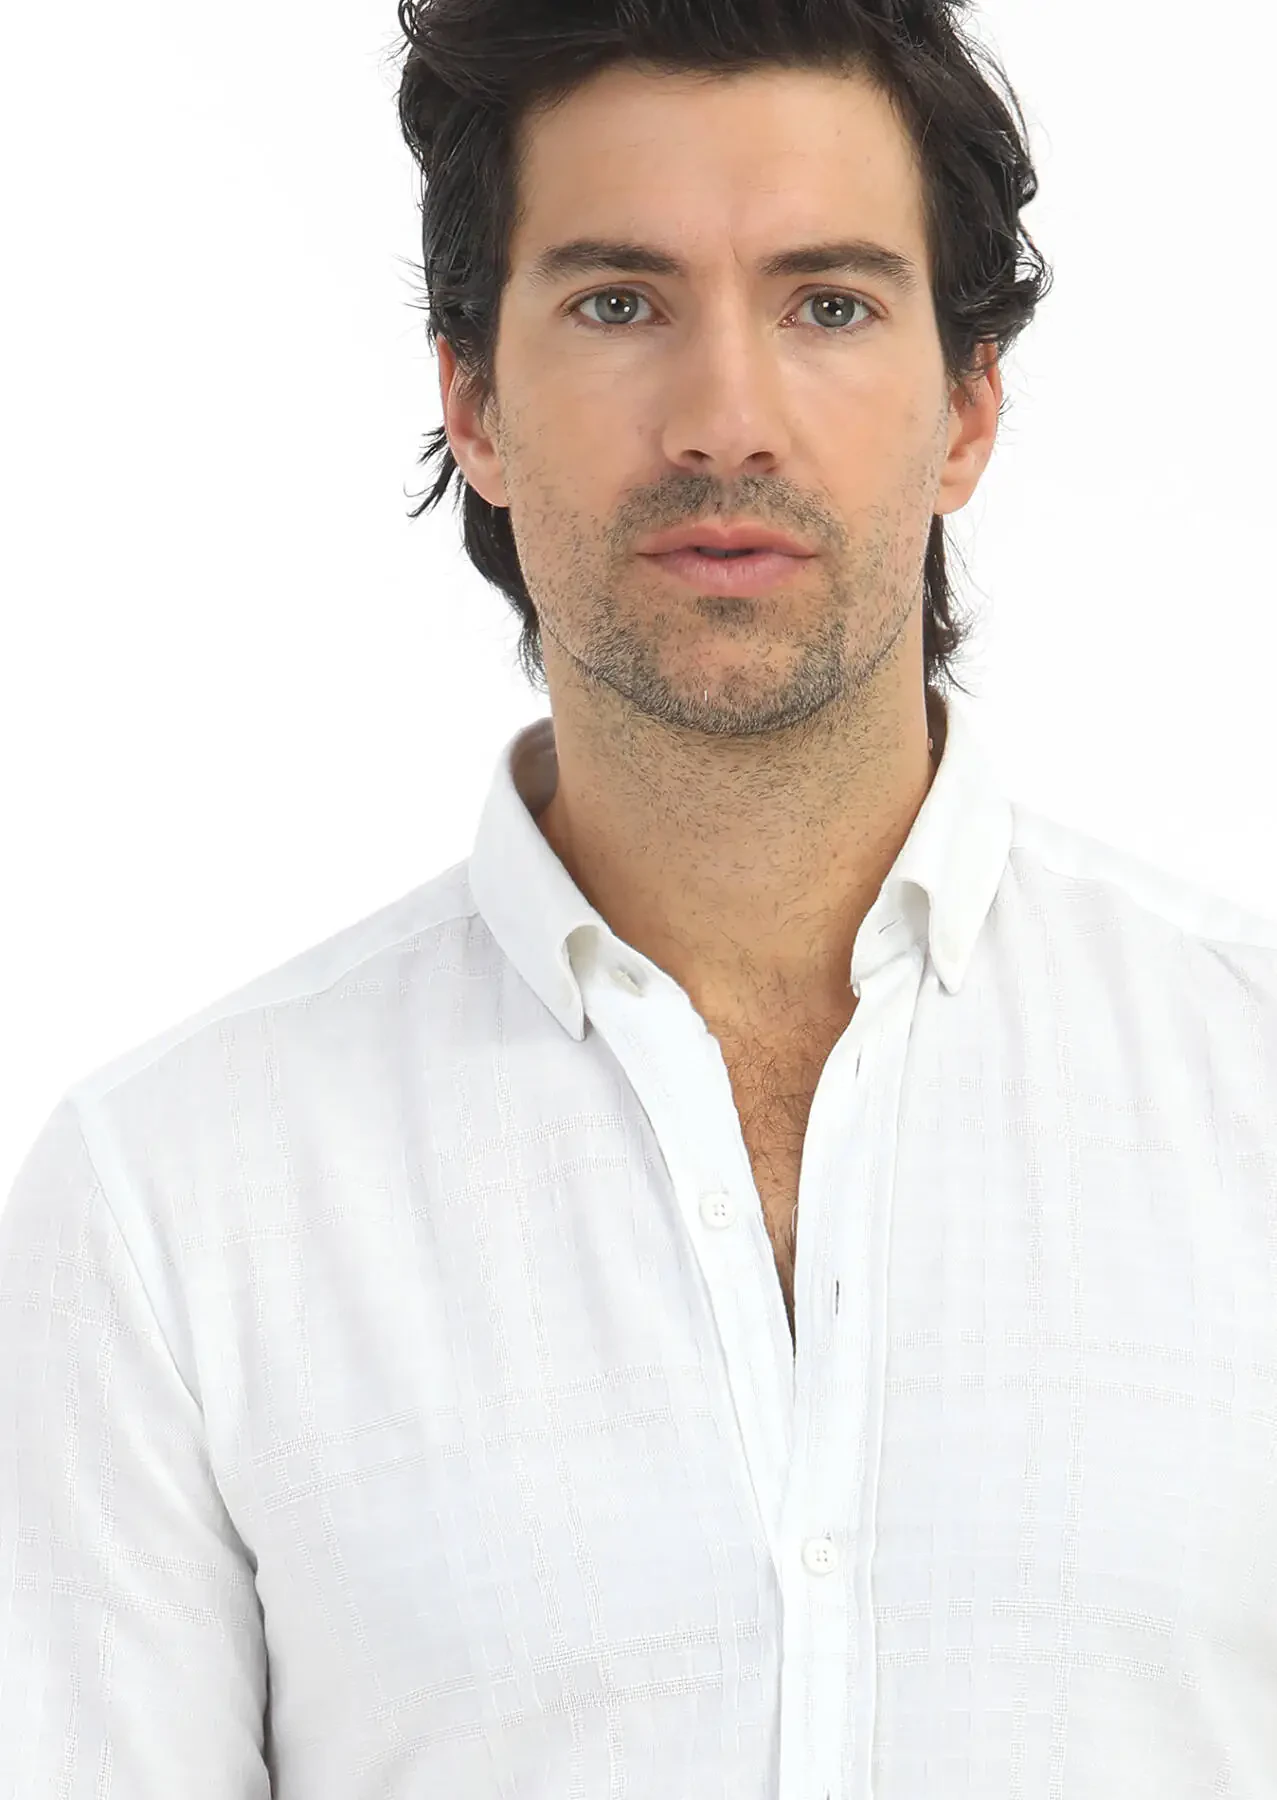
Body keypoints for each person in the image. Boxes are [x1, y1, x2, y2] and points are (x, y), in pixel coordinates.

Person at [4, 1, 1277, 1795]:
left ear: (968, 406)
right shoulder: (173, 1207)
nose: (724, 421)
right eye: (619, 304)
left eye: (829, 305)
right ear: (474, 400)